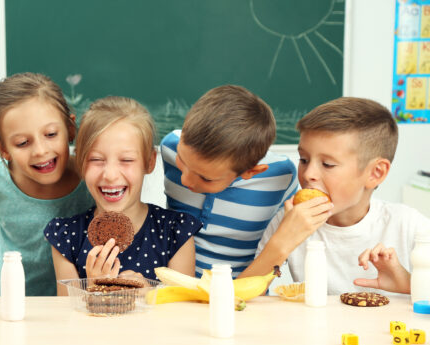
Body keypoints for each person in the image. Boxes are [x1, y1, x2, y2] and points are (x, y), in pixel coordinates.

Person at [241, 97, 430, 295]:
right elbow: (242, 299)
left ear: (376, 173)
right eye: (304, 160)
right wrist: (282, 242)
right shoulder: (288, 221)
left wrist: (410, 285)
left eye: (328, 165)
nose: (308, 174)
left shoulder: (408, 226)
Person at [44, 96, 202, 295]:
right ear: (80, 163)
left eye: (126, 160)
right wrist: (93, 287)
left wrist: (150, 293)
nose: (110, 175)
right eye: (96, 159)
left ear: (149, 162)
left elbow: (182, 310)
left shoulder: (175, 233)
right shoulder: (66, 238)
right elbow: (69, 318)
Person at [161, 85, 298, 278]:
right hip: (176, 292)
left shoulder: (281, 177)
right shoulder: (170, 147)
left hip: (243, 296)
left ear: (250, 172)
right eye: (182, 161)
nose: (185, 179)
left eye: (206, 178)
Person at [0, 73, 93, 296]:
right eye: (23, 142)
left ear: (70, 128)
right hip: (9, 303)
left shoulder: (92, 180)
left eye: (50, 134)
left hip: (72, 308)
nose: (40, 150)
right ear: (2, 148)